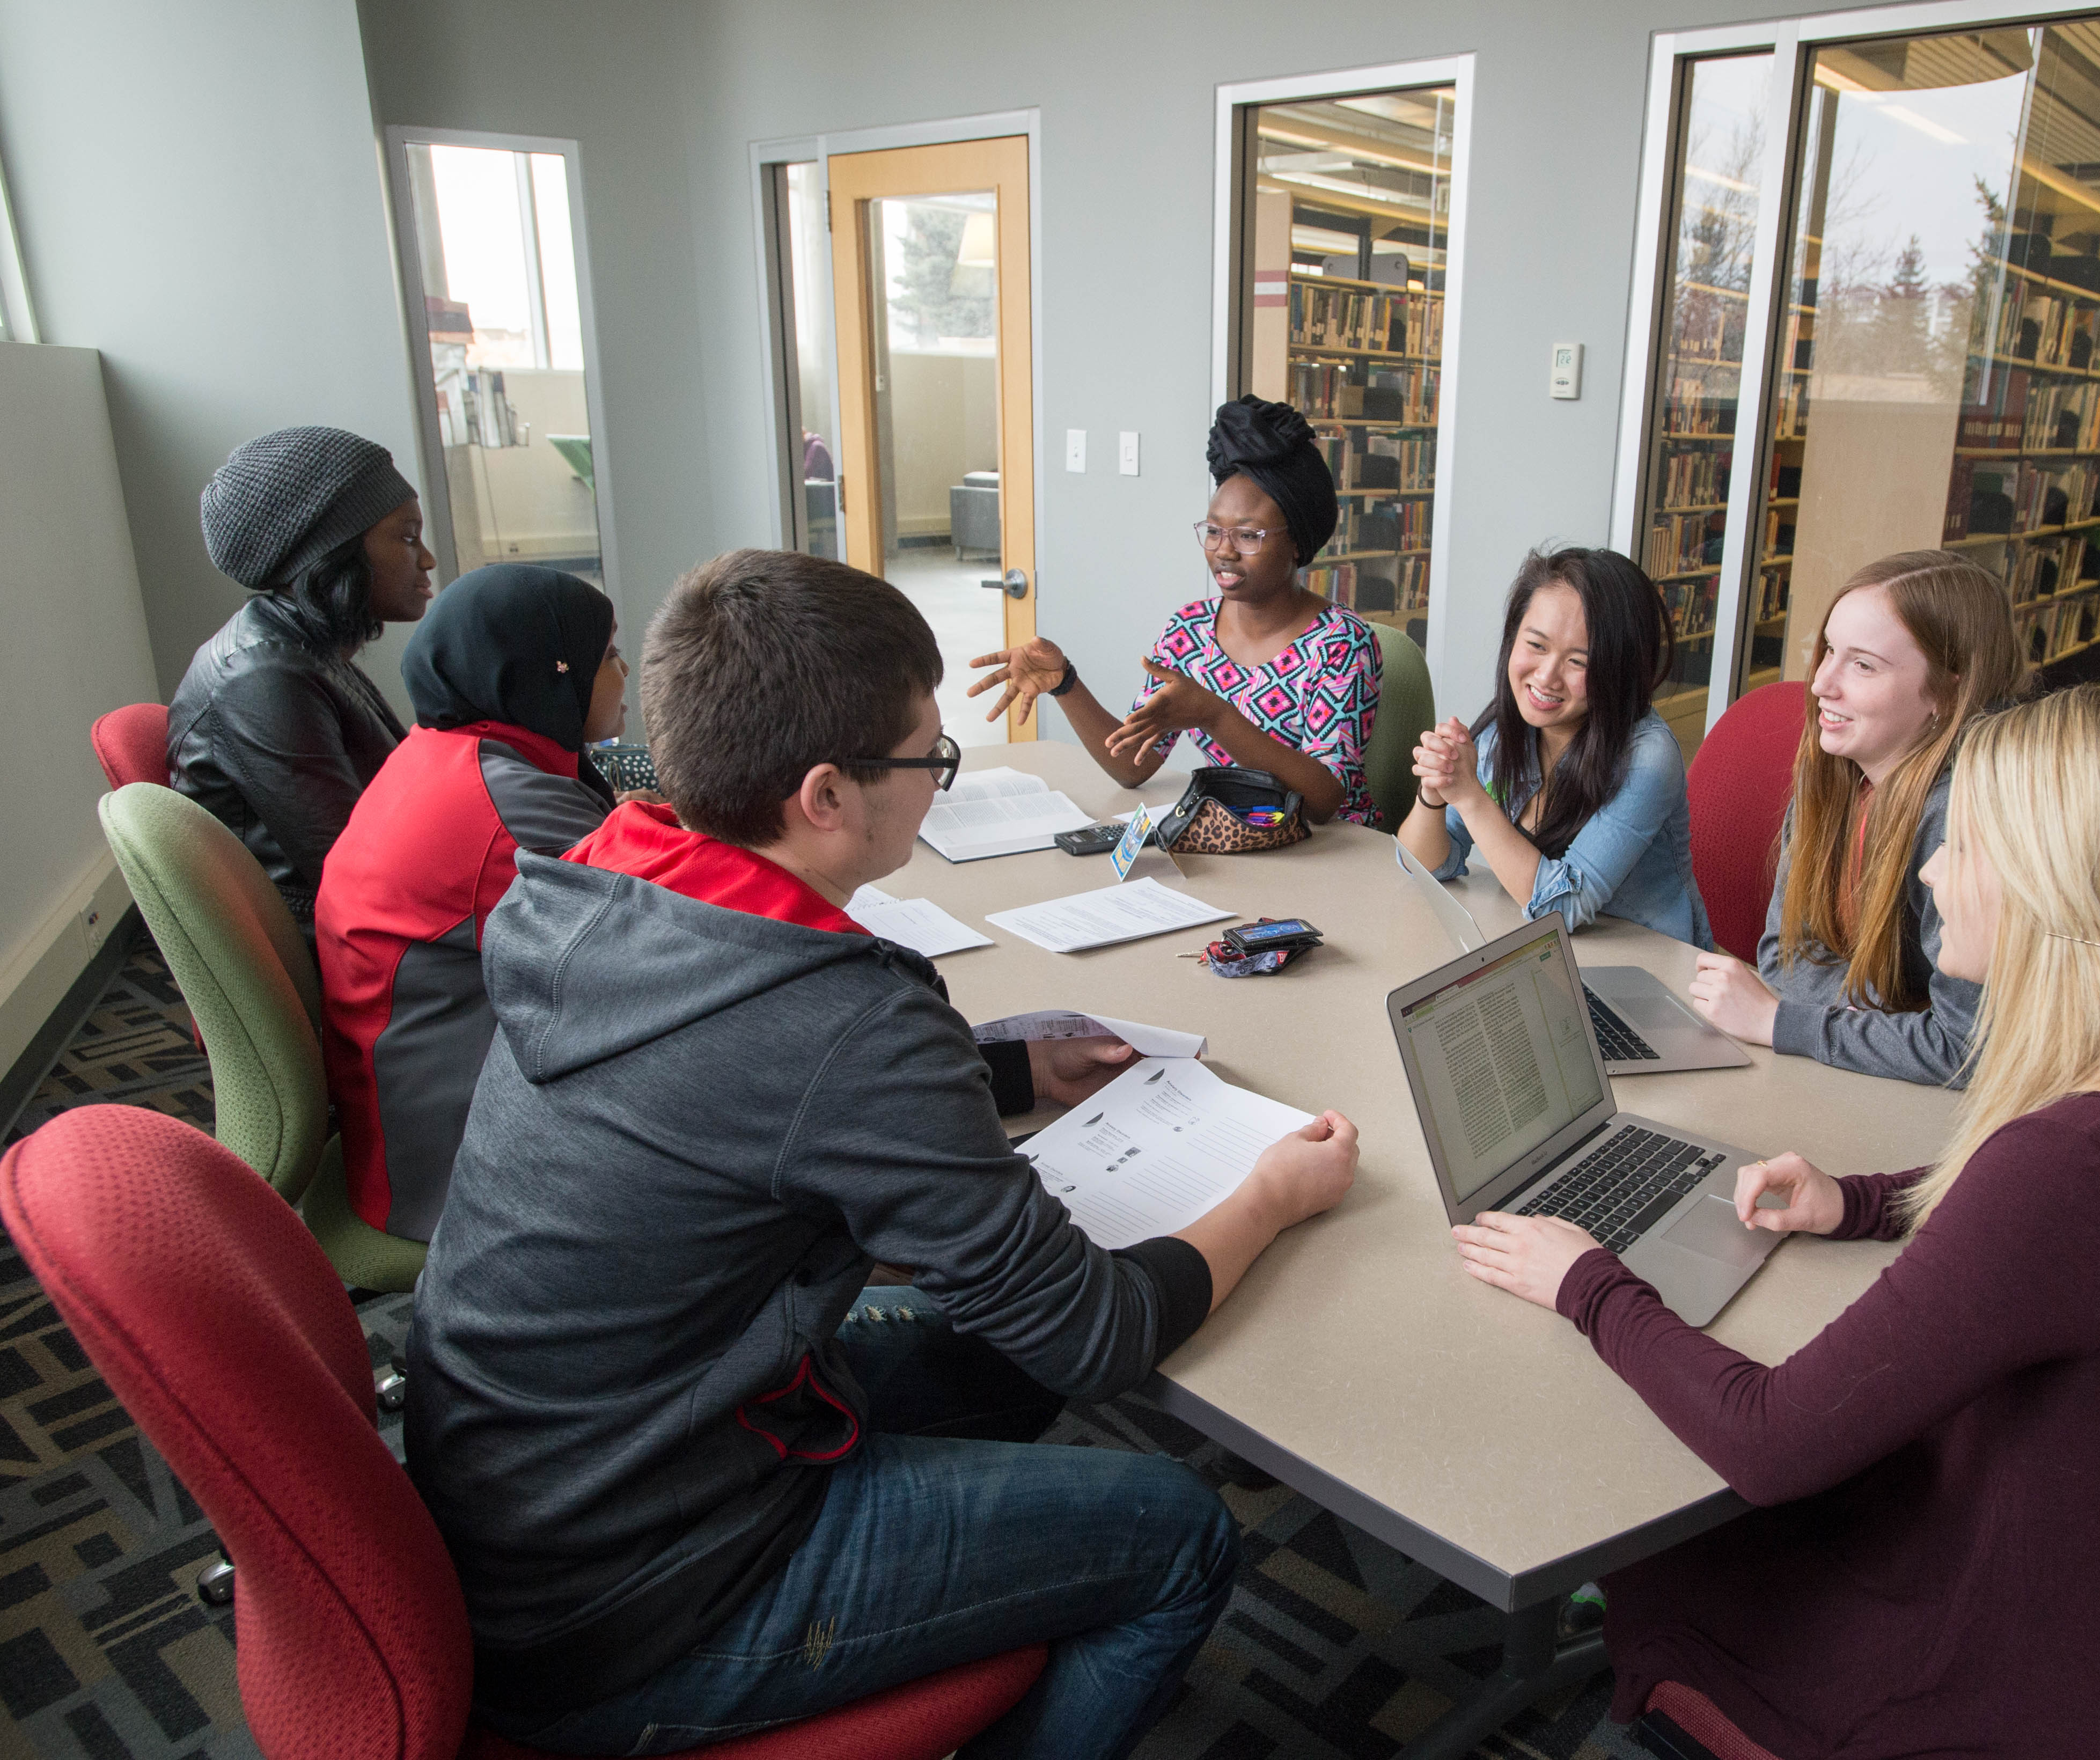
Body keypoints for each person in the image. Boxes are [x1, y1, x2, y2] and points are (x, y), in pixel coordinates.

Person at [406, 548, 1359, 1757]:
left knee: (996, 1360)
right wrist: (1269, 1193)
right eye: (929, 758)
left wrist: (1009, 1069)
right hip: (638, 1605)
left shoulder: (589, 882)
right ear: (824, 796)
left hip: (540, 1492)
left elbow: (751, 1085)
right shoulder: (848, 1018)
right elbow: (1096, 1333)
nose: (936, 780)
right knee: (1178, 1530)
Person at [1451, 684, 2100, 1758]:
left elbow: (1771, 1439)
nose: (1930, 871)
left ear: (2059, 892)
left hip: (2093, 1699)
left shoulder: (2068, 1170)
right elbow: (2056, 1223)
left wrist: (1588, 1283)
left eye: (1963, 847)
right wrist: (1858, 1199)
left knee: (1702, 1544)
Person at [314, 564, 625, 1246]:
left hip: (410, 1105)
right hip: (448, 1170)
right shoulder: (510, 808)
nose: (625, 672)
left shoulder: (449, 753)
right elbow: (656, 954)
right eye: (607, 657)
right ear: (549, 672)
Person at [1687, 550, 2026, 1084]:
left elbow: (1965, 1047)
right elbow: (1782, 954)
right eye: (1827, 651)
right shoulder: (1833, 770)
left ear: (1946, 691)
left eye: (1862, 664)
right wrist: (1895, 1021)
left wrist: (1785, 1021)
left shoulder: (1966, 819)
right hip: (1865, 1078)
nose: (1822, 683)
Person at [965, 396, 1383, 824]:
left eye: (1248, 536)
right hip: (1238, 838)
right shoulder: (1191, 631)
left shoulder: (1341, 642)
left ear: (1297, 543)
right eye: (1214, 531)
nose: (1224, 551)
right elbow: (1134, 766)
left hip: (1335, 851)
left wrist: (1215, 715)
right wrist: (1065, 682)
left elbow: (1323, 801)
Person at [167, 426, 436, 929]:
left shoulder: (302, 647)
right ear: (334, 553)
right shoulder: (263, 674)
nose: (427, 559)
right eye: (406, 537)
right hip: (354, 956)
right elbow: (362, 873)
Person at [1398, 547, 1710, 949]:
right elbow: (1424, 867)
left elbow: (1563, 908)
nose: (1546, 677)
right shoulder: (1506, 730)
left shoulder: (1648, 757)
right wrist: (1435, 790)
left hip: (1649, 967)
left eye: (1579, 662)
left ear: (1620, 668)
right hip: (1551, 956)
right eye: (1537, 646)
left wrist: (1470, 797)